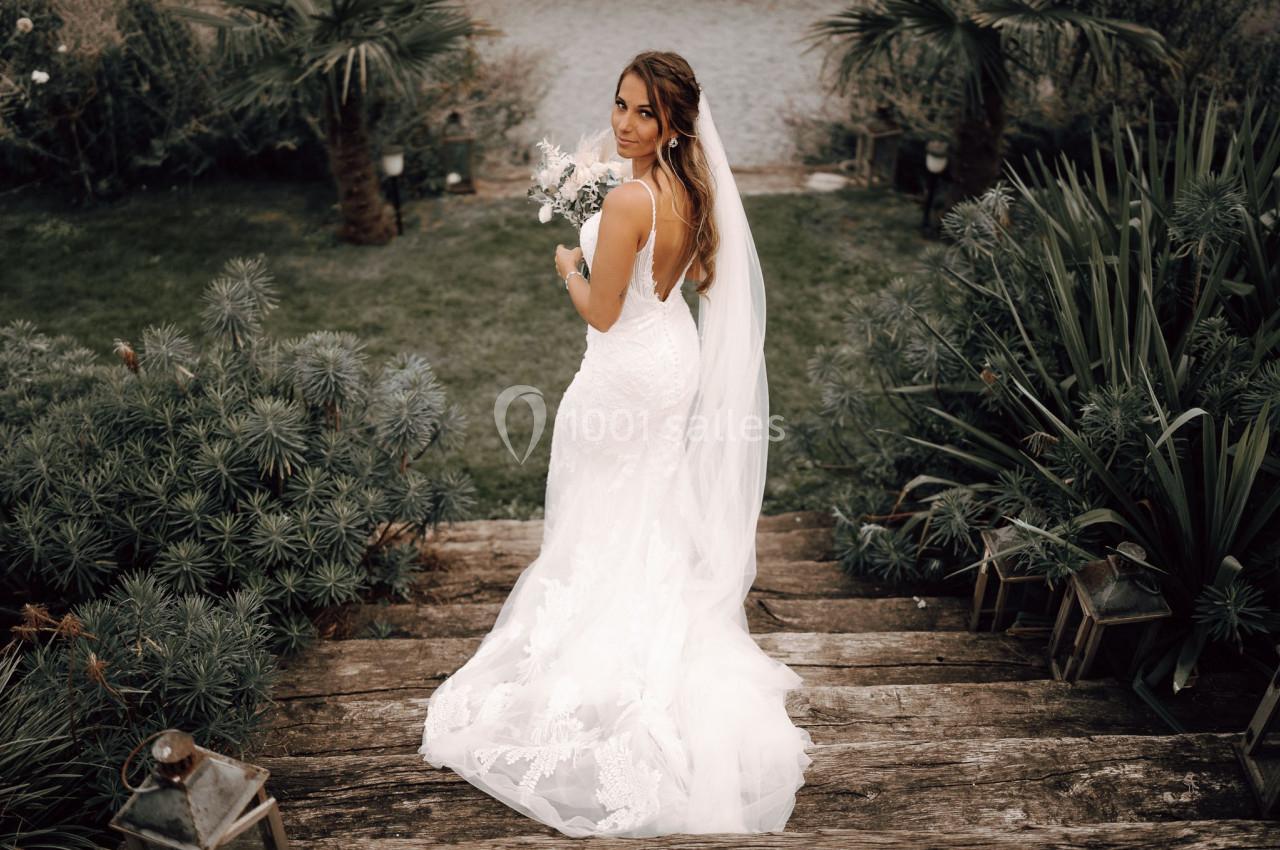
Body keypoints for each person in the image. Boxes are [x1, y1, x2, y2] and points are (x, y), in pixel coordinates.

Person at [419, 50, 812, 837]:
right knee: (648, 504)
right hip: (672, 356)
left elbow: (600, 315)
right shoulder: (691, 188)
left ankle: (599, 652)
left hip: (624, 371)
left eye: (644, 113)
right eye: (621, 105)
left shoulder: (632, 199)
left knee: (599, 507)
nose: (625, 122)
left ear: (673, 124)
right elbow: (692, 276)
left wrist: (571, 262)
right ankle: (650, 617)